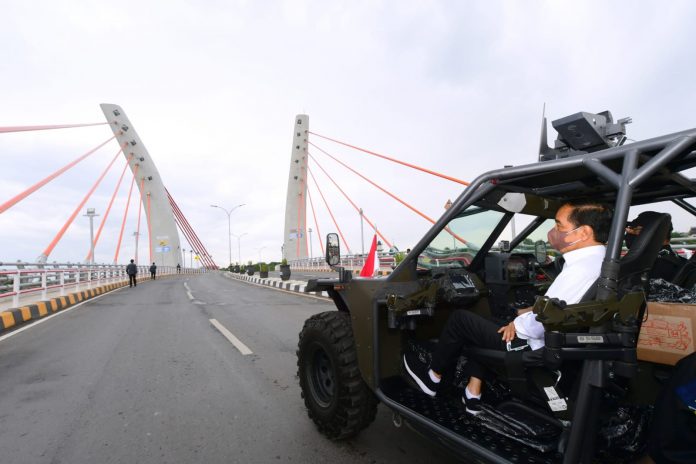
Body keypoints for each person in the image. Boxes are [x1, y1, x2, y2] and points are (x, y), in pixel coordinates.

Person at [404, 200, 612, 415]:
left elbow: (538, 326)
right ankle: (473, 393)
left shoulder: (578, 270)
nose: (553, 231)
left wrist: (517, 323)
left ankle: (432, 378)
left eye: (559, 226)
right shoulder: (602, 262)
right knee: (488, 324)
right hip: (566, 346)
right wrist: (525, 314)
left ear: (584, 232)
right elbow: (562, 308)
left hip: (536, 345)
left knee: (461, 320)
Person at [625, 211, 686, 282]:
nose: (627, 235)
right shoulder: (675, 260)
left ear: (649, 232)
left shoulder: (647, 267)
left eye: (632, 230)